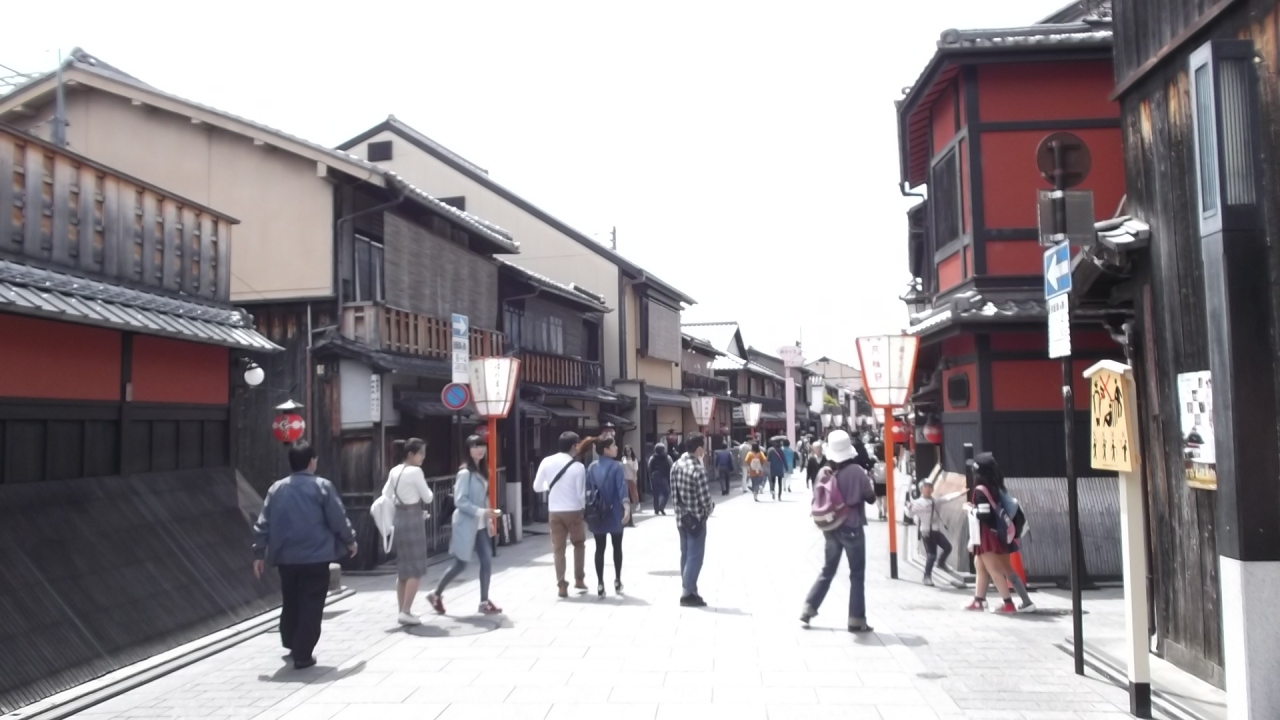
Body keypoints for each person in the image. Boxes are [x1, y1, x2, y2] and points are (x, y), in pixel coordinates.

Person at [252, 441, 356, 669]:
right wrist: (350, 540)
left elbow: (263, 522)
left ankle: (291, 642)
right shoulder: (322, 486)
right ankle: (302, 654)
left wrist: (259, 553)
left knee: (291, 600)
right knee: (311, 603)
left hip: (286, 557)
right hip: (316, 557)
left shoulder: (276, 489)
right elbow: (338, 518)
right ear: (311, 462)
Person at [800, 430, 877, 633]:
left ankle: (809, 608)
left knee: (828, 569)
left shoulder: (824, 472)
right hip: (852, 527)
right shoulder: (857, 471)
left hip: (831, 527)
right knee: (856, 574)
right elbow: (871, 498)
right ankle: (856, 619)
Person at [425, 436, 503, 615]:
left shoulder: (481, 471)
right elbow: (460, 501)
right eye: (475, 446)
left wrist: (489, 519)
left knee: (487, 560)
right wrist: (483, 512)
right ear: (468, 450)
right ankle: (436, 593)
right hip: (465, 523)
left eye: (482, 446)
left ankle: (484, 601)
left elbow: (483, 497)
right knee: (461, 564)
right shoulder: (465, 473)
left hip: (480, 524)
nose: (479, 450)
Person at [382, 438, 434, 625]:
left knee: (403, 569)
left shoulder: (394, 470)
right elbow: (428, 497)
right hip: (413, 519)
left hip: (399, 517)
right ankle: (405, 611)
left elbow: (386, 494)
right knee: (416, 569)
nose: (423, 457)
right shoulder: (415, 472)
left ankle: (402, 610)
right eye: (421, 453)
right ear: (411, 454)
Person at [533, 431, 589, 598]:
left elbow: (537, 486)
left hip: (554, 511)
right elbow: (580, 494)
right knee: (579, 544)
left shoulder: (547, 461)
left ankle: (561, 585)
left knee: (558, 549)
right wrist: (584, 509)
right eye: (578, 444)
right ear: (573, 446)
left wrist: (550, 486)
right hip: (573, 511)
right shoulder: (578, 467)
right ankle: (579, 579)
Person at [964, 452, 1018, 614]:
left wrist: (969, 509)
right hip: (989, 534)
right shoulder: (993, 486)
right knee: (980, 566)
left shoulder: (981, 489)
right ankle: (978, 600)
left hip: (986, 535)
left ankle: (1008, 604)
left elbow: (984, 514)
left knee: (994, 571)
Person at [671, 433, 714, 607]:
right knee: (696, 556)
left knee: (686, 554)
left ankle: (690, 590)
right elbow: (705, 498)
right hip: (696, 518)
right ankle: (687, 592)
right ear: (699, 449)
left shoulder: (676, 465)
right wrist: (709, 509)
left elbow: (674, 492)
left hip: (681, 518)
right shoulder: (698, 469)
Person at [587, 437, 631, 596]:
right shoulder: (617, 466)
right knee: (617, 547)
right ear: (606, 449)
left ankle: (600, 583)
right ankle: (617, 580)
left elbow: (588, 490)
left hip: (597, 512)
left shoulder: (591, 467)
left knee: (599, 548)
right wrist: (627, 507)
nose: (617, 447)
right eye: (613, 445)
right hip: (614, 512)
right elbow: (622, 489)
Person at [908, 480, 952, 586]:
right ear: (921, 489)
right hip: (926, 532)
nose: (928, 489)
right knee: (932, 555)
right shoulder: (917, 503)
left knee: (948, 547)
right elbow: (910, 515)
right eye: (925, 487)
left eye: (930, 487)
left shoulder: (935, 501)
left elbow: (947, 498)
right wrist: (908, 508)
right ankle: (926, 577)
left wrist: (961, 493)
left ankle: (941, 563)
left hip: (936, 531)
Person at [648, 443, 672, 515]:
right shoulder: (667, 457)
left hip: (655, 476)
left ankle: (656, 509)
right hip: (664, 476)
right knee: (666, 493)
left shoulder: (652, 457)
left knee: (656, 494)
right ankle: (661, 507)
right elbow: (671, 466)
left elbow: (649, 467)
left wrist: (650, 475)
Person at [621, 446, 640, 525]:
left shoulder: (634, 460)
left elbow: (635, 470)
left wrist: (634, 478)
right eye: (627, 451)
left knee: (634, 493)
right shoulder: (623, 458)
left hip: (631, 478)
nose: (628, 452)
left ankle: (636, 504)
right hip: (625, 478)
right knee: (626, 494)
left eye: (629, 451)